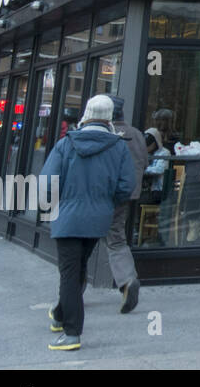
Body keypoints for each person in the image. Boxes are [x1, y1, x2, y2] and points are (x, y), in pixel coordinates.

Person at [40, 94, 134, 351]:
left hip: (67, 217)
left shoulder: (66, 144)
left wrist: (52, 204)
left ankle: (71, 333)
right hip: (98, 218)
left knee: (70, 273)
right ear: (109, 117)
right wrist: (106, 202)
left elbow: (47, 183)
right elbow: (126, 186)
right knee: (79, 266)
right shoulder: (119, 147)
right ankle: (60, 314)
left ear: (86, 114)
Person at [102, 95, 147, 314]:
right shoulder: (136, 134)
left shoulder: (106, 135)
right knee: (116, 237)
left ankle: (72, 288)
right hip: (127, 195)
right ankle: (127, 279)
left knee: (83, 241)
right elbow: (144, 162)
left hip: (102, 194)